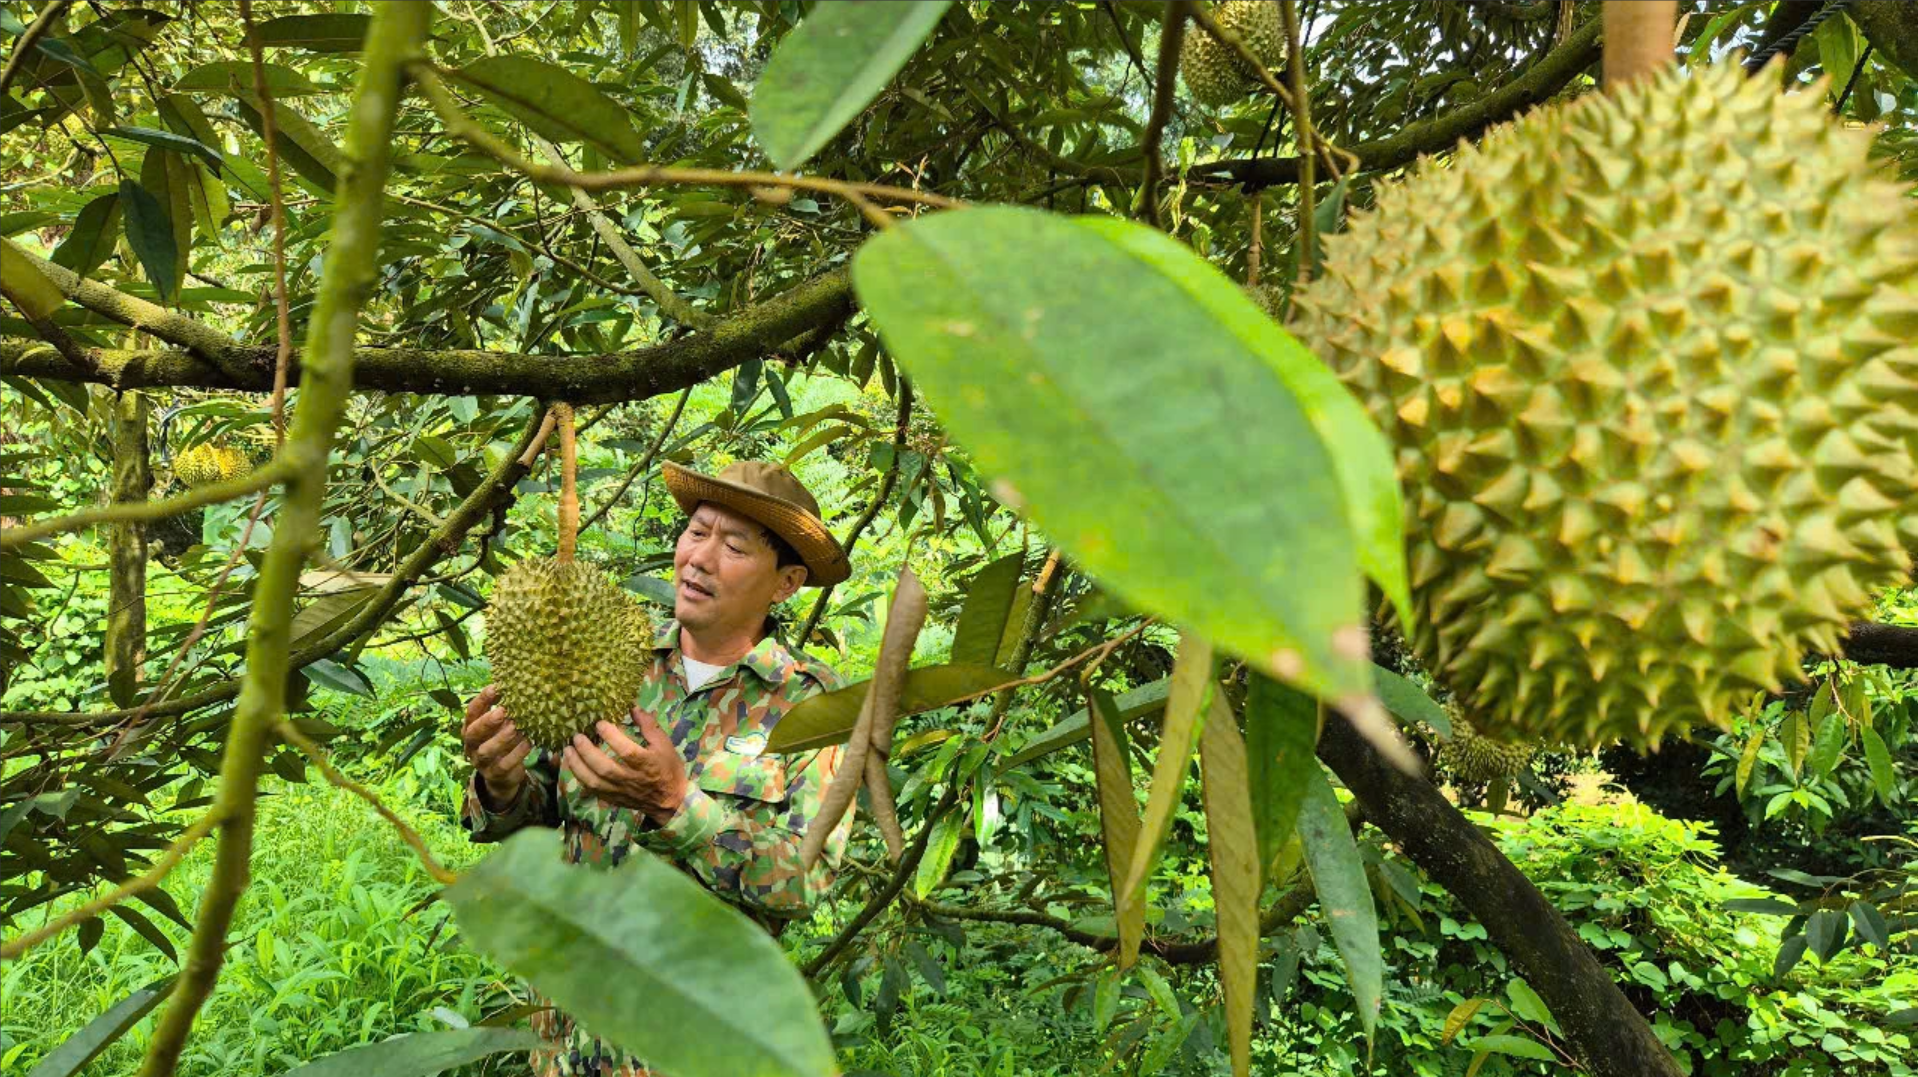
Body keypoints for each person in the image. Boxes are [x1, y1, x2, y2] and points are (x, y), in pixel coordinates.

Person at [459, 459, 855, 1077]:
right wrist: (502, 783)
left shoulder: (815, 708)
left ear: (786, 583)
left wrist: (677, 806)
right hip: (564, 1033)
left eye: (734, 547)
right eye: (696, 533)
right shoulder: (612, 654)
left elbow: (804, 884)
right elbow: (539, 808)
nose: (700, 559)